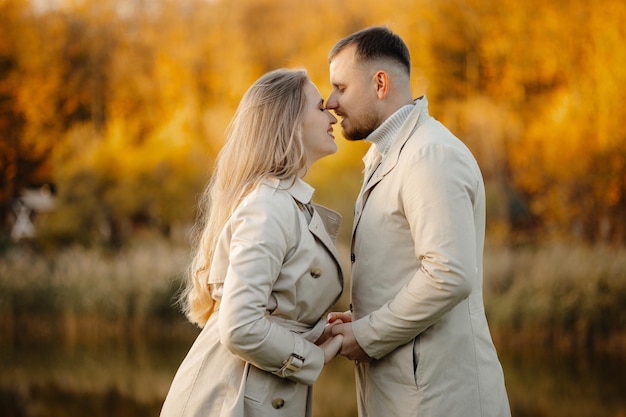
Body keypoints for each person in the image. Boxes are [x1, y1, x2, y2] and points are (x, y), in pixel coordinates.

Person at [325, 26, 511, 417]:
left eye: (340, 87)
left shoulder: (429, 155)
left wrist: (367, 334)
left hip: (439, 401)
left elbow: (448, 274)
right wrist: (363, 317)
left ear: (379, 83)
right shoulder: (390, 154)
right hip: (406, 395)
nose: (331, 102)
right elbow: (405, 268)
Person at [160, 68, 345, 417]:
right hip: (228, 398)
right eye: (320, 108)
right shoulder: (269, 205)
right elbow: (241, 325)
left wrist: (322, 330)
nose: (331, 114)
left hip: (255, 392)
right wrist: (314, 356)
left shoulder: (285, 204)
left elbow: (276, 309)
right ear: (290, 123)